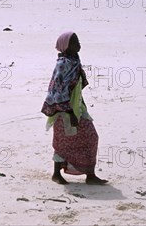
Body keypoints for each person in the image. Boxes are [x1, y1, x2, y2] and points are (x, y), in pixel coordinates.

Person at [41, 32, 108, 185]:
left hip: (77, 107)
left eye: (78, 40)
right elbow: (57, 89)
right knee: (63, 141)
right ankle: (56, 174)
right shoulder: (63, 64)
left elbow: (77, 85)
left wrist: (78, 107)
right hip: (63, 109)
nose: (79, 43)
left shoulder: (74, 60)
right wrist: (69, 112)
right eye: (74, 41)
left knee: (91, 137)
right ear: (66, 45)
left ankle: (90, 175)